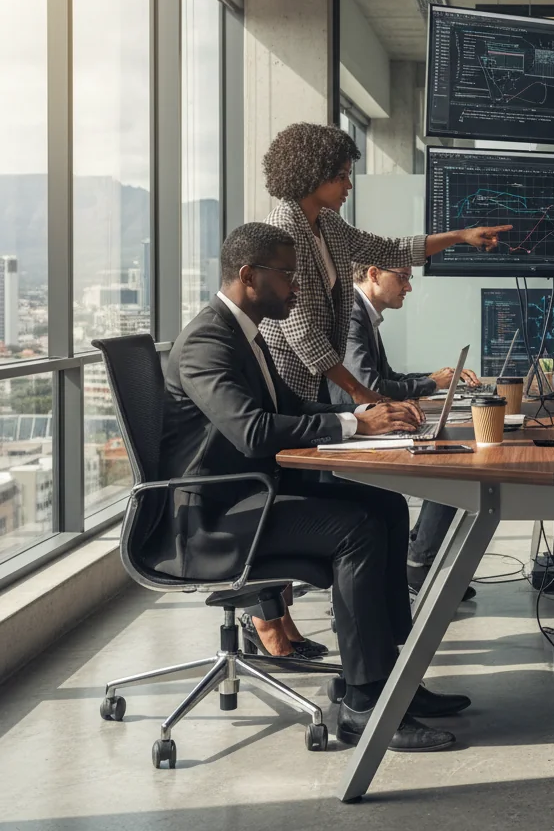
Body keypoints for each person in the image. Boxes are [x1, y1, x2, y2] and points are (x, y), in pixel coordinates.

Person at [158, 223, 469, 752]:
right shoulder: (207, 342)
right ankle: (363, 704)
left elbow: (293, 408)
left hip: (253, 494)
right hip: (214, 516)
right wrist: (353, 427)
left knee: (386, 505)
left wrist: (365, 411)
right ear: (249, 276)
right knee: (358, 530)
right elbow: (252, 430)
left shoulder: (244, 334)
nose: (299, 288)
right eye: (288, 275)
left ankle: (391, 677)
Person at [260, 122, 508, 408]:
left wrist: (461, 236)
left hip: (320, 389)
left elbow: (391, 249)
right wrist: (359, 391)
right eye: (341, 176)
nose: (349, 185)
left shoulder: (327, 223)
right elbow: (302, 331)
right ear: (313, 175)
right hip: (292, 390)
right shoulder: (285, 231)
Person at [346, 261, 482, 598]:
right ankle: (420, 562)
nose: (408, 287)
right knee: (450, 462)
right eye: (403, 278)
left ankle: (419, 555)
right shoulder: (352, 315)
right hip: (356, 427)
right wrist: (428, 384)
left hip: (367, 421)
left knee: (448, 448)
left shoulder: (366, 317)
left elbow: (386, 378)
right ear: (373, 274)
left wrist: (434, 381)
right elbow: (367, 385)